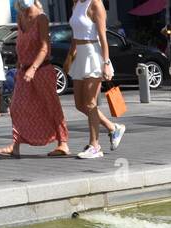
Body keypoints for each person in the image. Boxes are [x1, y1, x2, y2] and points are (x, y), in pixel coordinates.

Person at [0, 0, 68, 156]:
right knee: (16, 107)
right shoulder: (21, 17)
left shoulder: (41, 18)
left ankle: (63, 143)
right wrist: (18, 67)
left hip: (41, 70)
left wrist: (33, 68)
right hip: (23, 71)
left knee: (51, 105)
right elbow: (20, 45)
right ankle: (15, 145)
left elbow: (44, 47)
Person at [65, 0, 124, 158]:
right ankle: (113, 128)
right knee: (80, 104)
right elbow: (75, 35)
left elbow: (103, 38)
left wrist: (105, 63)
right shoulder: (76, 3)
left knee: (91, 103)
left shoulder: (96, 4)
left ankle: (95, 146)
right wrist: (70, 56)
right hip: (80, 56)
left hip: (93, 54)